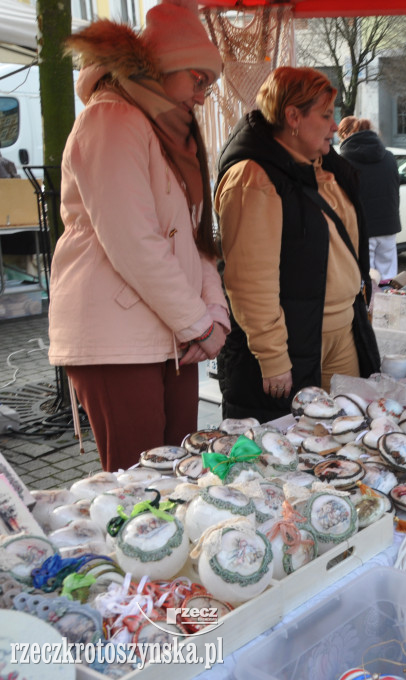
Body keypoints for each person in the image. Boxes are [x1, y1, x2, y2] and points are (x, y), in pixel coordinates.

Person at [48, 0, 228, 472]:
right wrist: (200, 324)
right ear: (168, 66)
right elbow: (133, 241)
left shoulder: (170, 134)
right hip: (117, 340)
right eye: (199, 79)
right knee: (139, 492)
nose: (203, 96)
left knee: (180, 479)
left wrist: (216, 316)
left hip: (174, 335)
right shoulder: (111, 119)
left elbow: (195, 238)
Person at [215, 67, 375, 422]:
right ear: (293, 117)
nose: (335, 126)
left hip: (340, 331)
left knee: (345, 439)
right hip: (293, 344)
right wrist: (273, 357)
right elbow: (249, 281)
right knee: (297, 450)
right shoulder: (253, 178)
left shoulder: (323, 167)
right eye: (325, 115)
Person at [336, 116, 401, 280]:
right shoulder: (389, 158)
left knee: (363, 283)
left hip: (360, 231)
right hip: (388, 228)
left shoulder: (342, 161)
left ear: (344, 135)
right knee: (388, 282)